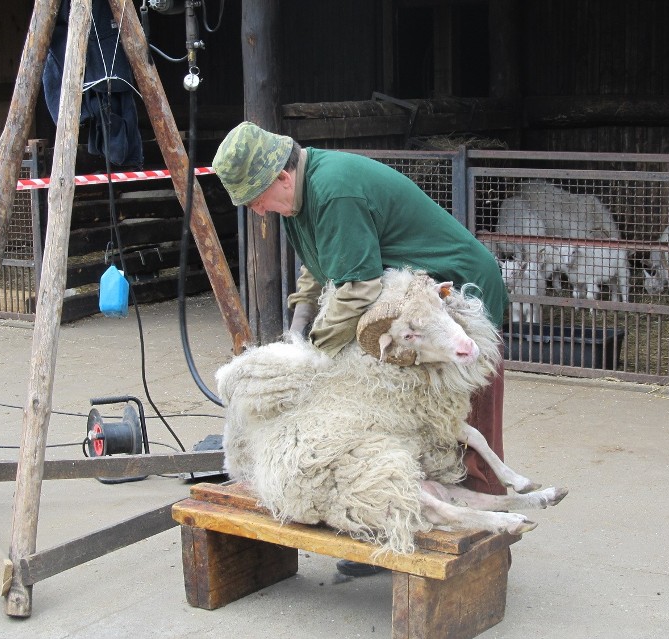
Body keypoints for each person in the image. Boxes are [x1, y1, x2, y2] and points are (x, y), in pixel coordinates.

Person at [212, 121, 509, 577]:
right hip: (403, 307)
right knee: (405, 422)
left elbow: (357, 287)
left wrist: (314, 355)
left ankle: (486, 549)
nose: (257, 210)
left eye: (257, 198)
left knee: (461, 419)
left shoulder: (334, 193)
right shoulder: (301, 199)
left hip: (452, 302)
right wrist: (297, 323)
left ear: (282, 178)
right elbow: (319, 269)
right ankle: (395, 523)